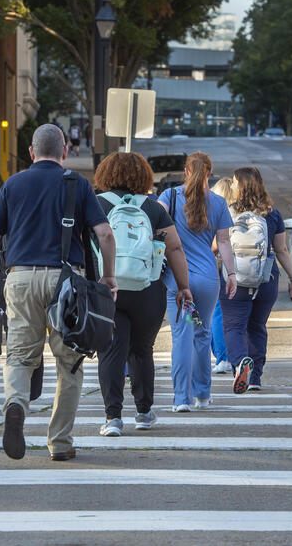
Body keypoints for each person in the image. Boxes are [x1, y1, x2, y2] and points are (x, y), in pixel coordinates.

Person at [0, 123, 117, 461]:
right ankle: (60, 442)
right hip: (66, 283)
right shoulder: (77, 185)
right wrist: (109, 279)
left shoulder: (13, 184)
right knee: (69, 363)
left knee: (21, 356)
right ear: (65, 151)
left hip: (20, 278)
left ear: (31, 152)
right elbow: (105, 234)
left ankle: (16, 404)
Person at [93, 152, 191, 436]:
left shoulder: (97, 204)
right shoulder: (153, 208)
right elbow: (174, 248)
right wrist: (184, 286)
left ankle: (112, 418)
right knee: (141, 350)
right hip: (148, 288)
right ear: (143, 176)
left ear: (105, 175)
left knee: (111, 351)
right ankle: (144, 412)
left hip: (107, 287)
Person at [158, 152, 237, 412]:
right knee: (202, 335)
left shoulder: (169, 197)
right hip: (207, 280)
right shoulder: (218, 201)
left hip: (180, 282)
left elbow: (154, 224)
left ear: (186, 171)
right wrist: (232, 274)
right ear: (209, 172)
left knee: (182, 336)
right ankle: (203, 394)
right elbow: (224, 242)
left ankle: (182, 398)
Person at [220, 167, 292, 393]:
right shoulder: (272, 213)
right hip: (266, 278)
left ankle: (240, 362)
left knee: (234, 326)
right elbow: (282, 249)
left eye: (235, 182)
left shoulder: (228, 212)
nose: (233, 185)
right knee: (257, 326)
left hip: (234, 277)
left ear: (241, 186)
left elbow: (218, 245)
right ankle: (255, 377)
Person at [209, 178, 234, 374]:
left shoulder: (214, 211)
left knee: (216, 313)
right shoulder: (237, 211)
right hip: (237, 268)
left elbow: (218, 243)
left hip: (216, 268)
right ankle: (233, 355)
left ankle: (222, 357)